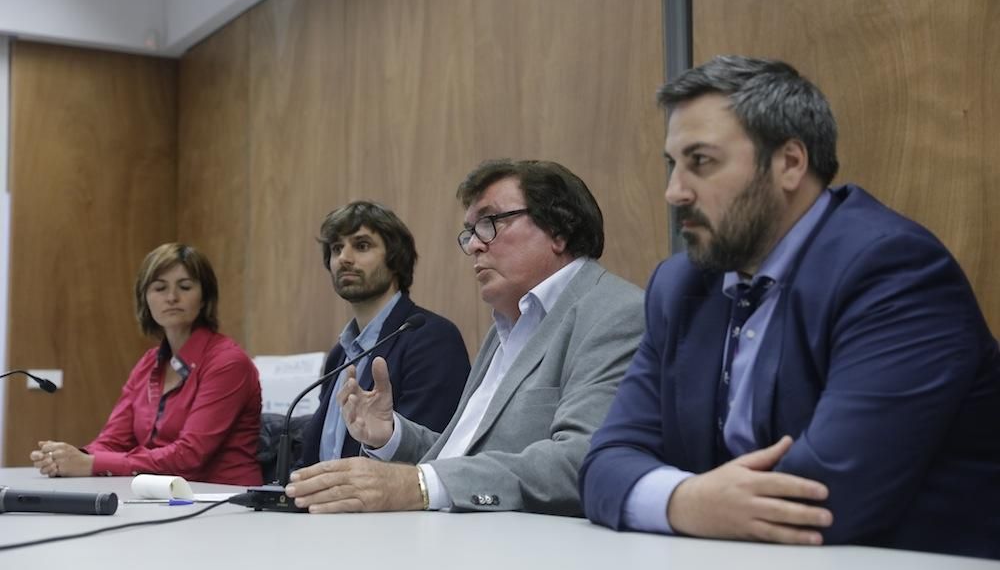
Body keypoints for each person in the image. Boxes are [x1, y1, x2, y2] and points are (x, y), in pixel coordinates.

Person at [579, 55, 1000, 559]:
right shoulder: (681, 284)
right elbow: (604, 462)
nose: (675, 192)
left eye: (701, 162)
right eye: (673, 165)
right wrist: (684, 501)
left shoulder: (894, 271)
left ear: (790, 163)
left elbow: (828, 498)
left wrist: (670, 496)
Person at [285, 160, 644, 515]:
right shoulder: (505, 328)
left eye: (489, 223)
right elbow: (462, 453)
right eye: (470, 232)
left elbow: (583, 460)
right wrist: (390, 434)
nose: (473, 245)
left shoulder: (615, 313)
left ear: (558, 231)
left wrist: (418, 485)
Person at [30, 243, 262, 485]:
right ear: (146, 299)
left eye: (185, 287)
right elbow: (114, 440)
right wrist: (70, 458)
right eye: (160, 288)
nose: (172, 297)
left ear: (204, 298)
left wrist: (91, 464)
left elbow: (189, 456)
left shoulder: (227, 363)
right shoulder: (150, 363)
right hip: (164, 495)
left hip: (223, 499)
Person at [297, 201, 469, 466]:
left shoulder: (432, 340)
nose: (344, 258)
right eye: (336, 248)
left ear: (395, 259)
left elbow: (428, 454)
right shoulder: (339, 355)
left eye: (362, 245)